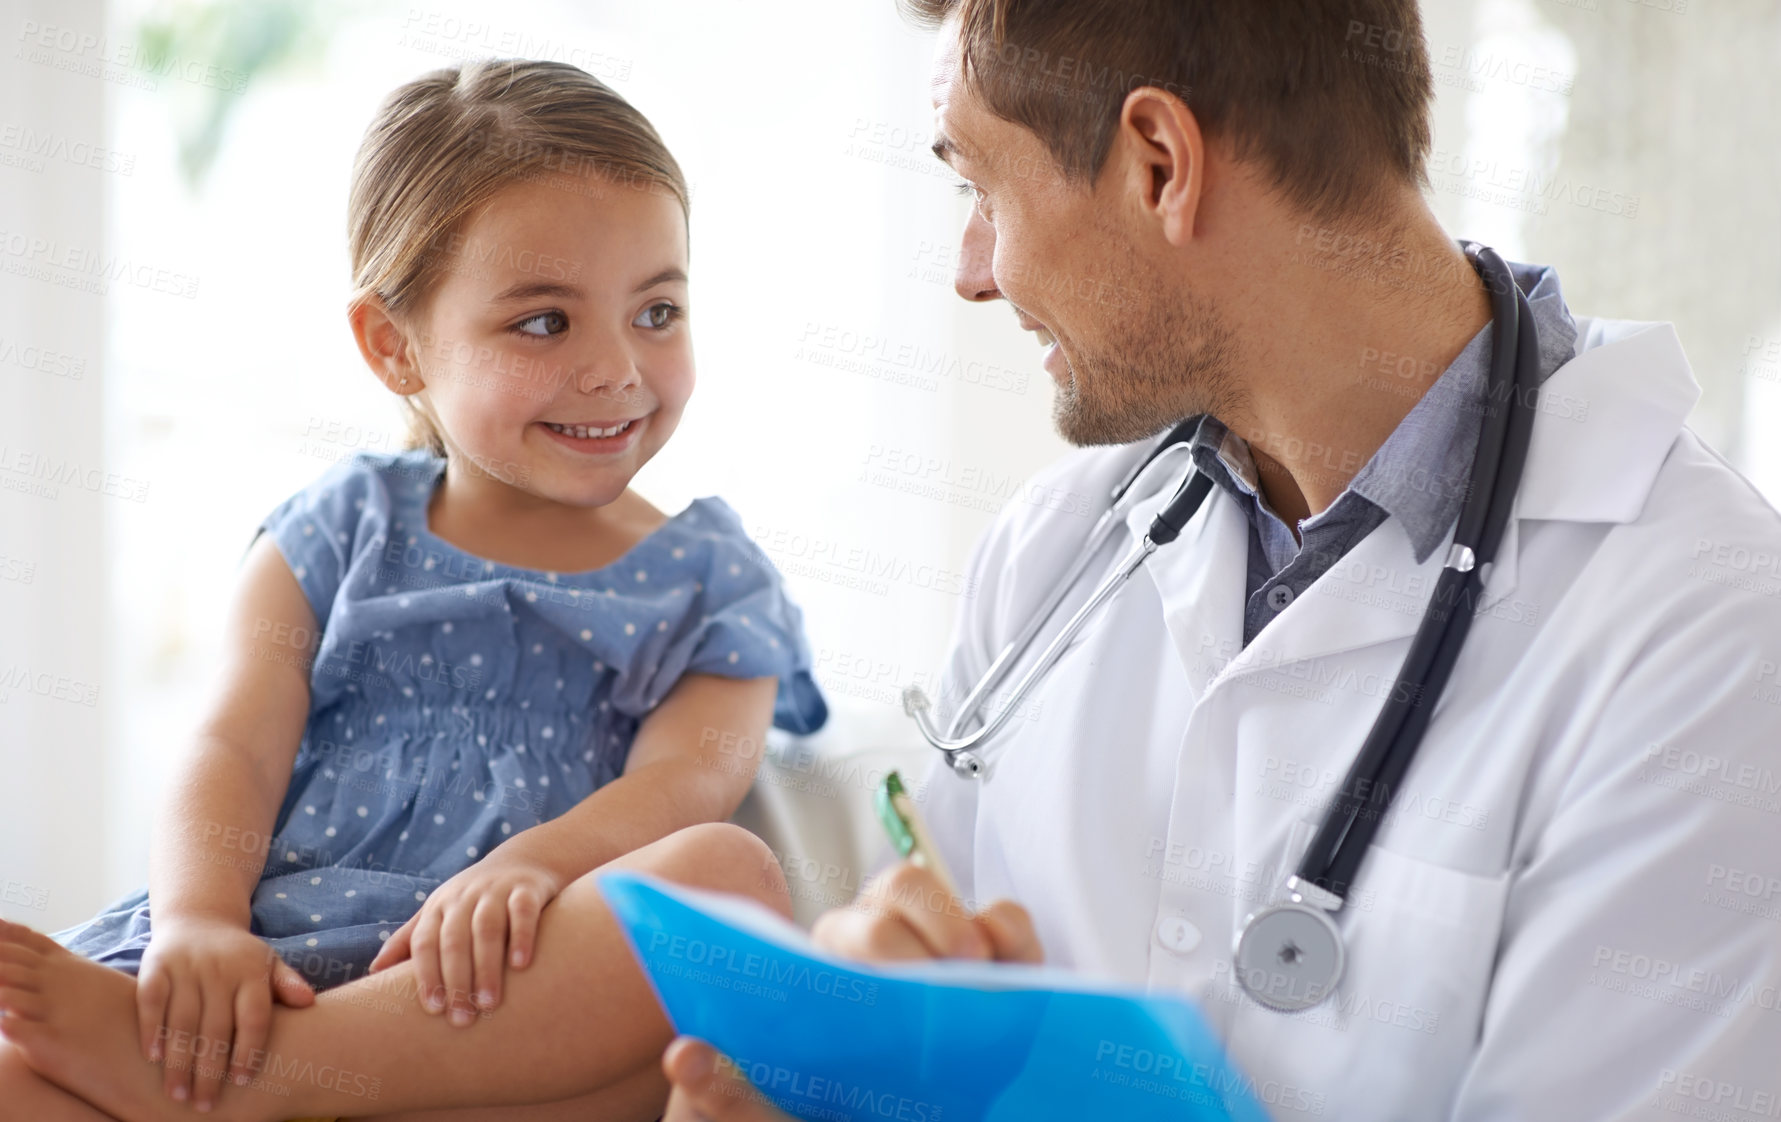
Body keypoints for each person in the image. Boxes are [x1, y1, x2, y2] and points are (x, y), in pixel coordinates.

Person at [659, 0, 1781, 1117]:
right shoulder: (1056, 552)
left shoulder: (1707, 635)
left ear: (1158, 164)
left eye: (979, 188)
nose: (970, 271)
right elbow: (938, 1010)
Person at [0, 57, 827, 1121]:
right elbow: (234, 745)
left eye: (657, 311)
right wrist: (198, 924)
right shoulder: (342, 527)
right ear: (394, 347)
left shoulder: (711, 579)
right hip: (276, 962)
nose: (619, 366)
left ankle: (257, 1093)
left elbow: (689, 783)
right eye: (544, 322)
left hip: (487, 991)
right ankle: (249, 1079)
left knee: (728, 881)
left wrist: (535, 863)